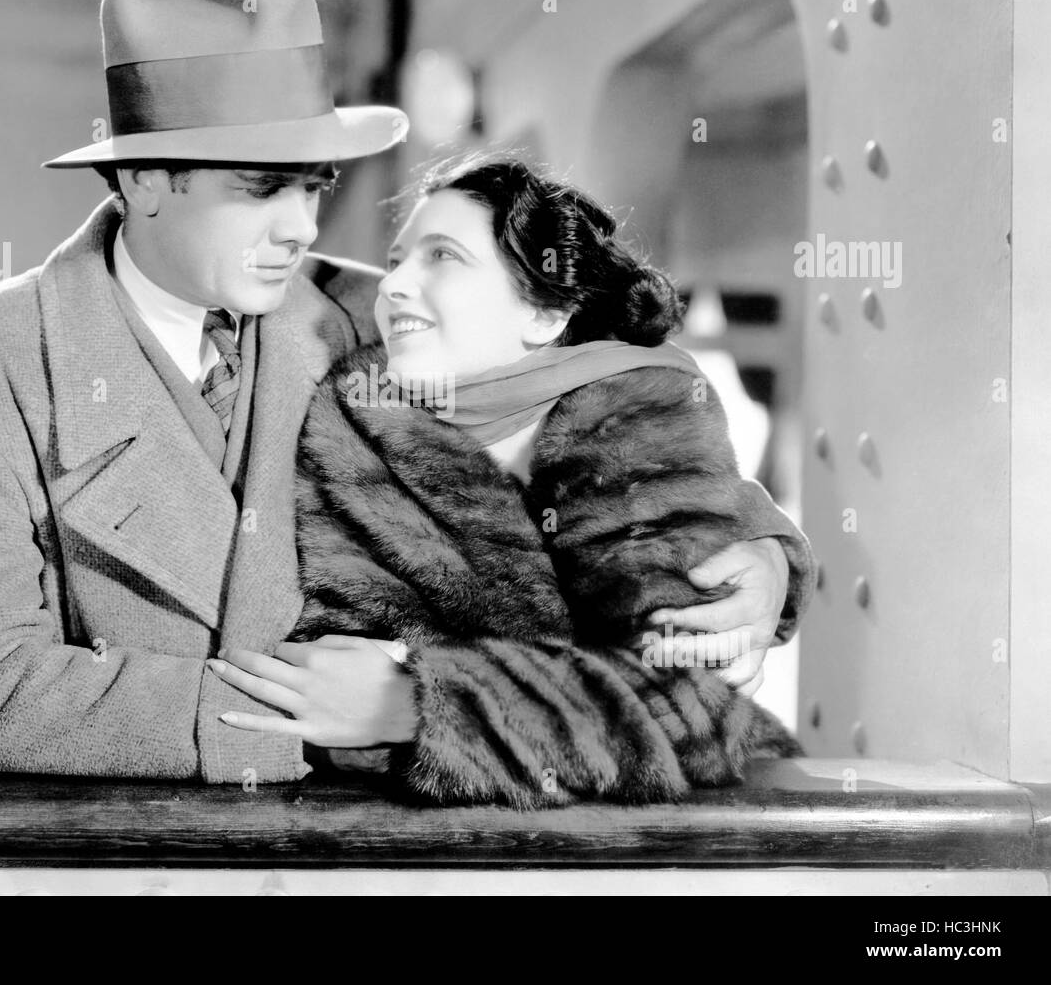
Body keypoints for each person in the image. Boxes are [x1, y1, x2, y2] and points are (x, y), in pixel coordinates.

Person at [0, 0, 798, 787]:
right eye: (260, 188)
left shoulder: (381, 321)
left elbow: (606, 387)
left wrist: (762, 560)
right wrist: (304, 716)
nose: (304, 228)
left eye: (313, 185)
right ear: (148, 178)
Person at [206, 153, 816, 807]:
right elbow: (332, 665)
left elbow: (692, 713)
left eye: (443, 258)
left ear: (545, 314)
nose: (394, 286)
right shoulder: (356, 429)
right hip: (414, 841)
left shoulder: (639, 422)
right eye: (396, 260)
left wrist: (420, 707)